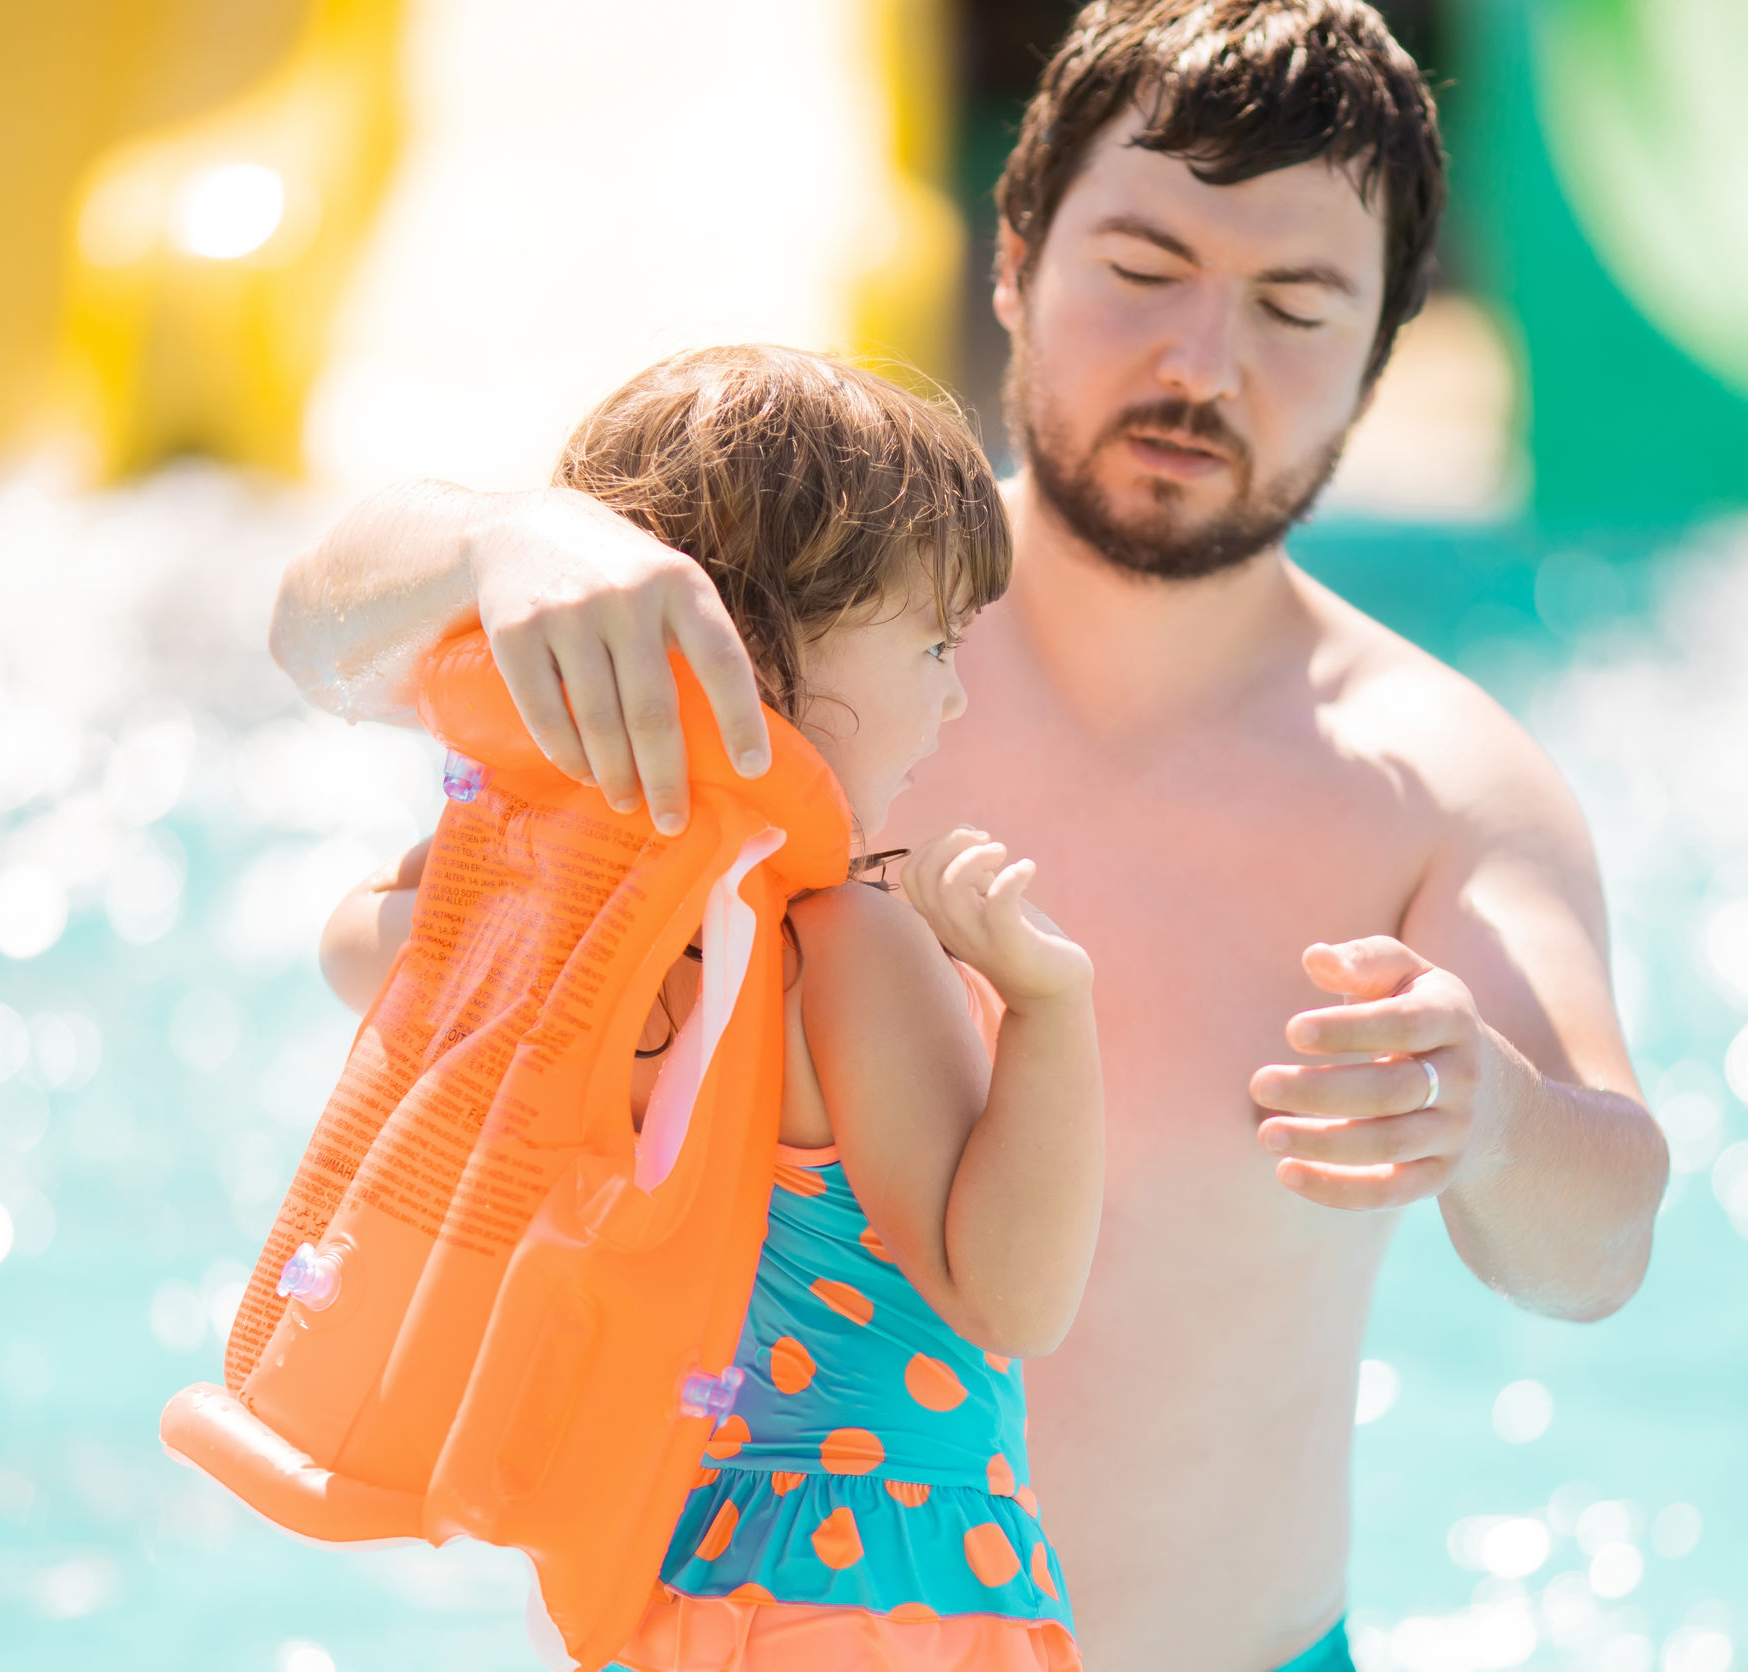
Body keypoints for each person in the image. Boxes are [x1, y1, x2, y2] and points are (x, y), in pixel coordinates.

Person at [287, 5, 1668, 1669]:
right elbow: (319, 637)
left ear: (1385, 349)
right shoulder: (785, 661)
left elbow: (1602, 1251)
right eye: (1144, 267)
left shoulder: (1439, 784)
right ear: (1012, 261)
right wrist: (491, 542)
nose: (1200, 364)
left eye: (1297, 305)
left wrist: (1495, 1117)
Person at [436, 343, 1104, 1669]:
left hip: (651, 1576)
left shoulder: (560, 937)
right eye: (930, 642)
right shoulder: (843, 950)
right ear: (760, 659)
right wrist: (1049, 1010)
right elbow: (1004, 1293)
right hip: (870, 1591)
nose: (955, 692)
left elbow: (372, 952)